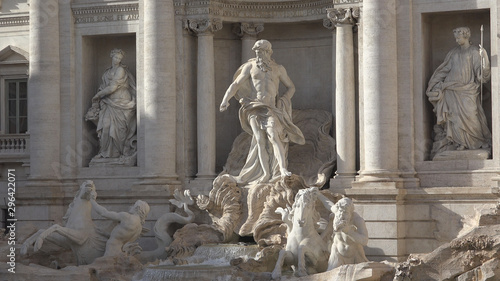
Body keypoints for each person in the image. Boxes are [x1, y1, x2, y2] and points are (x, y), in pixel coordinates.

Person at [220, 39, 305, 184]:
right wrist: (225, 99)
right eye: (256, 51)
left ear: (268, 52)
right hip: (254, 107)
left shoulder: (278, 69)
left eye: (261, 51)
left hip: (270, 108)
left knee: (273, 135)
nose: (258, 54)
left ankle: (283, 169)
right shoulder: (250, 67)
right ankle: (265, 174)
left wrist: (283, 99)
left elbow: (291, 87)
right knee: (259, 140)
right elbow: (236, 84)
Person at [426, 27, 491, 157]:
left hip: (468, 90)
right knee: (454, 117)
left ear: (466, 36)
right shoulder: (453, 53)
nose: (456, 40)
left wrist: (485, 59)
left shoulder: (474, 52)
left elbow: (480, 74)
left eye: (458, 37)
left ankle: (476, 141)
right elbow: (444, 70)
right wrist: (433, 84)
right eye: (455, 37)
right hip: (451, 90)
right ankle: (458, 142)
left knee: (472, 115)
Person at [89, 49, 137, 160]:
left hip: (121, 102)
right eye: (116, 57)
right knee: (105, 126)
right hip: (109, 102)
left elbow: (112, 87)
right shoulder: (107, 71)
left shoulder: (120, 70)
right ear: (112, 57)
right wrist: (101, 94)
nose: (117, 60)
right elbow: (105, 86)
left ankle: (117, 153)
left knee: (119, 129)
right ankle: (105, 152)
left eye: (119, 58)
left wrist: (98, 95)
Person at [315, 192, 369, 270]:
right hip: (337, 252)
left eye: (345, 213)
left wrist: (348, 231)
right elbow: (328, 204)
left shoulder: (357, 220)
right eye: (340, 213)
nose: (341, 216)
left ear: (350, 213)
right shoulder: (338, 211)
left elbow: (364, 240)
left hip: (355, 254)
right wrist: (318, 194)